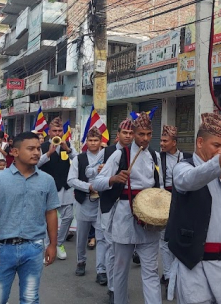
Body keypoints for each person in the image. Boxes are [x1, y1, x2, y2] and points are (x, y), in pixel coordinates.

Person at [166, 113, 221, 304]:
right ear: (200, 142)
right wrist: (219, 164)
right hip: (194, 265)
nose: (220, 151)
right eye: (216, 146)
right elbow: (190, 180)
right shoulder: (183, 168)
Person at [0, 131, 60, 304]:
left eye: (38, 148)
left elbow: (51, 213)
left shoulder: (47, 181)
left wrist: (53, 245)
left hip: (34, 248)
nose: (37, 153)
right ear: (15, 152)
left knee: (30, 299)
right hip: (3, 249)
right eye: (30, 149)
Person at [92, 112, 163, 304]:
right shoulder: (120, 154)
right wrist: (113, 179)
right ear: (133, 133)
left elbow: (161, 188)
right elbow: (97, 182)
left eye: (149, 134)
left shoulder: (155, 157)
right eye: (141, 134)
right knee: (120, 268)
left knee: (151, 272)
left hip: (149, 222)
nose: (145, 138)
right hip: (124, 219)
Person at [89, 118, 134, 302]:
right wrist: (100, 170)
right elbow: (90, 172)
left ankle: (118, 285)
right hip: (108, 204)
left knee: (122, 249)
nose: (128, 136)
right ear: (118, 135)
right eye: (125, 133)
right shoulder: (107, 151)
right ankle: (113, 287)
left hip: (127, 207)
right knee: (111, 246)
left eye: (132, 133)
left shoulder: (136, 153)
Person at [67, 128, 108, 284]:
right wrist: (88, 187)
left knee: (101, 238)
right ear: (87, 142)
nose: (93, 143)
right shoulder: (79, 159)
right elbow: (71, 180)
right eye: (90, 140)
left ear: (100, 141)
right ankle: (81, 261)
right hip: (84, 201)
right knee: (82, 236)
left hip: (101, 202)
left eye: (96, 140)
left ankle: (101, 270)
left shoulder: (107, 157)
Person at [38, 117, 76, 260]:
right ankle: (48, 246)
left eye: (60, 130)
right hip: (48, 188)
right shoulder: (41, 147)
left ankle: (59, 243)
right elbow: (34, 165)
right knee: (47, 219)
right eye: (54, 131)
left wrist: (68, 149)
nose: (57, 133)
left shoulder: (68, 145)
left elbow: (79, 160)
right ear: (49, 132)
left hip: (65, 187)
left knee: (69, 217)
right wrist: (48, 153)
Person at [159, 125, 184, 290]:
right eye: (161, 140)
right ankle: (168, 275)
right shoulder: (157, 157)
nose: (161, 143)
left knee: (179, 239)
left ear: (174, 142)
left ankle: (177, 273)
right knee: (164, 239)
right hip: (163, 200)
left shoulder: (186, 157)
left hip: (182, 201)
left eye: (165, 140)